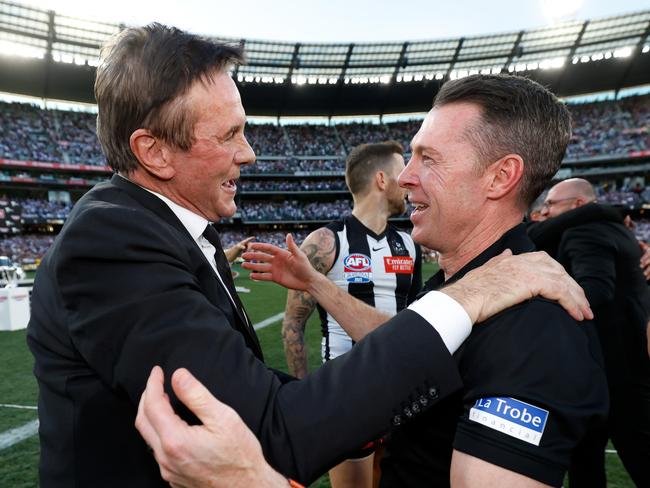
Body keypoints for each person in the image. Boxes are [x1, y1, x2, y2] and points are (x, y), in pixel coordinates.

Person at [26, 25, 589, 488]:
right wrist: (470, 294)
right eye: (230, 134)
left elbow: (252, 392)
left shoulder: (169, 231)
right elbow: (265, 430)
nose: (248, 153)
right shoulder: (114, 240)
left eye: (429, 158)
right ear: (153, 150)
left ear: (501, 176)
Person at [137, 74, 607, 488]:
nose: (404, 177)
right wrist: (314, 284)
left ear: (500, 176)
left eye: (429, 158)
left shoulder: (534, 326)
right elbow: (413, 341)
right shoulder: (466, 280)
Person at [282, 141, 420, 488]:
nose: (407, 180)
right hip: (347, 394)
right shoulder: (327, 241)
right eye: (400, 171)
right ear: (381, 179)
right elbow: (293, 324)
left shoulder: (410, 243)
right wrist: (306, 397)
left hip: (408, 392)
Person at [529, 178, 650, 487]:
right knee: (589, 460)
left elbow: (595, 290)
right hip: (624, 369)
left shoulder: (584, 231)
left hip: (609, 376)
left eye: (551, 204)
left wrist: (542, 303)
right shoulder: (619, 230)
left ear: (577, 206)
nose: (545, 211)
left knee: (592, 465)